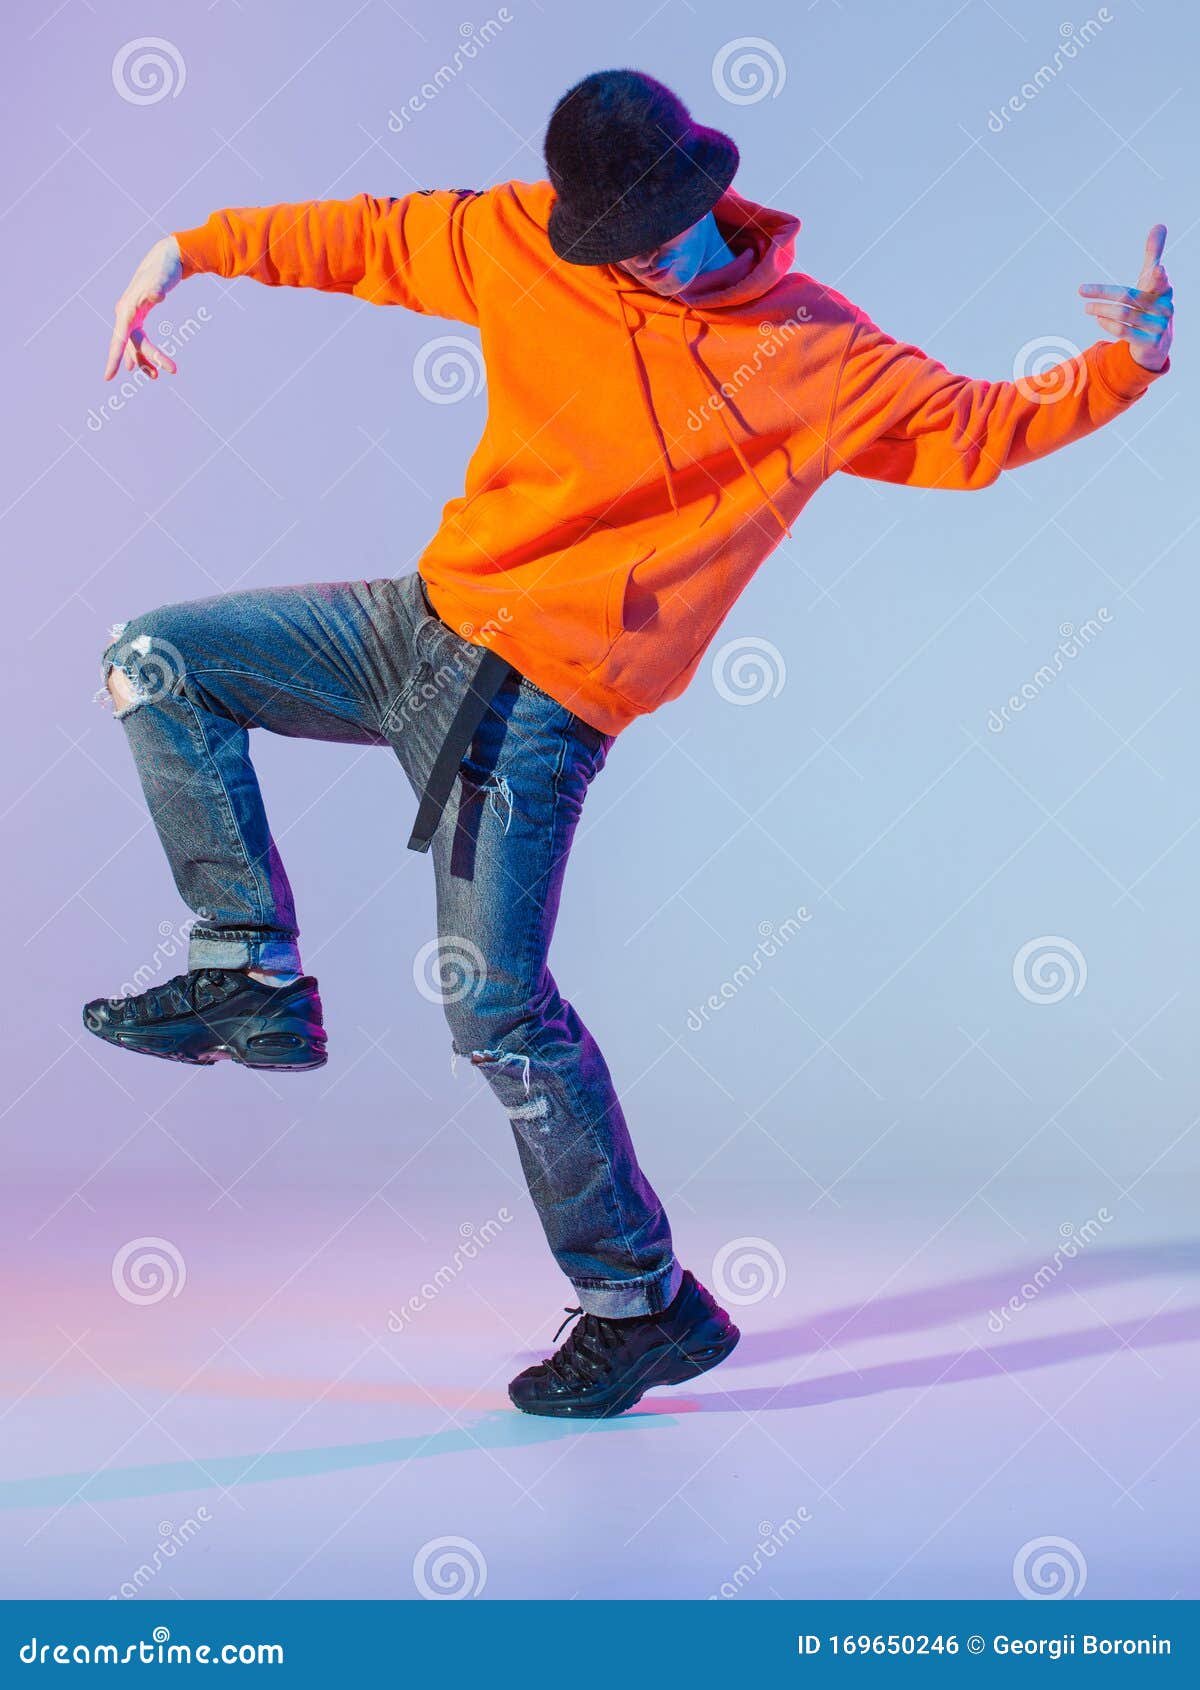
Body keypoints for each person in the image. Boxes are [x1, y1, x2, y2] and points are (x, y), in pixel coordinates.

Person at [85, 69, 1173, 1418]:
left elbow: (979, 428)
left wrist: (1125, 364)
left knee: (496, 1013)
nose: (637, 262)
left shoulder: (815, 349)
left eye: (656, 234)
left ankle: (642, 1305)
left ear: (706, 191)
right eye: (610, 242)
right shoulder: (521, 238)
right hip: (418, 627)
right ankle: (246, 970)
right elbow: (361, 235)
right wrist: (182, 253)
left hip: (537, 707)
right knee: (157, 659)